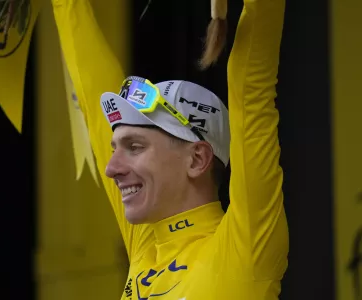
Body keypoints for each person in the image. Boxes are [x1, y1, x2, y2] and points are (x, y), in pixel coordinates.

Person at [51, 0, 289, 298]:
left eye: (135, 147)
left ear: (197, 158)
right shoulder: (147, 242)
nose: (112, 169)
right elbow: (90, 84)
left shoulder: (245, 245)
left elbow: (251, 89)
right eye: (115, 149)